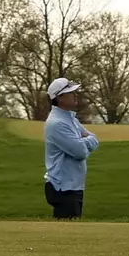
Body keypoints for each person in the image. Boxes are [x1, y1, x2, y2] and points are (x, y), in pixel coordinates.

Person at [43, 78, 98, 219]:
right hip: (63, 187)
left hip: (72, 185)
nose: (75, 95)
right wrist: (84, 140)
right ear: (59, 98)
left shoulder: (71, 119)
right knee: (65, 232)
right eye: (70, 92)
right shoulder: (57, 123)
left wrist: (83, 140)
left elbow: (95, 140)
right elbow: (80, 152)